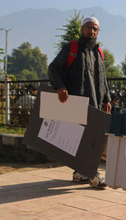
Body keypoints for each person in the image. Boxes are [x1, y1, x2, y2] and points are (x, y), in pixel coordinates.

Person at [48, 16, 111, 189]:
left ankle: (80, 172)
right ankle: (92, 174)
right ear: (82, 29)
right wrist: (60, 87)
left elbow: (103, 78)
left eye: (95, 29)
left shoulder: (99, 52)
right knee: (83, 139)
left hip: (95, 103)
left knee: (93, 138)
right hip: (76, 102)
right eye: (89, 28)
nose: (92, 32)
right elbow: (53, 69)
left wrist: (107, 99)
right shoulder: (72, 48)